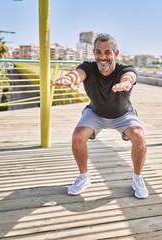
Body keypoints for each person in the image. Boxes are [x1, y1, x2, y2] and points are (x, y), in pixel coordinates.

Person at [53, 33, 149, 199]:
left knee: (139, 137)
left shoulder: (125, 69)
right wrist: (70, 79)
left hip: (123, 114)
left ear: (115, 54)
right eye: (98, 52)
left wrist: (125, 83)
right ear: (94, 53)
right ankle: (84, 178)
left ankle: (137, 178)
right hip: (96, 113)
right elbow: (78, 74)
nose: (102, 57)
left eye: (107, 53)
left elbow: (130, 77)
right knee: (77, 137)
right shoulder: (88, 67)